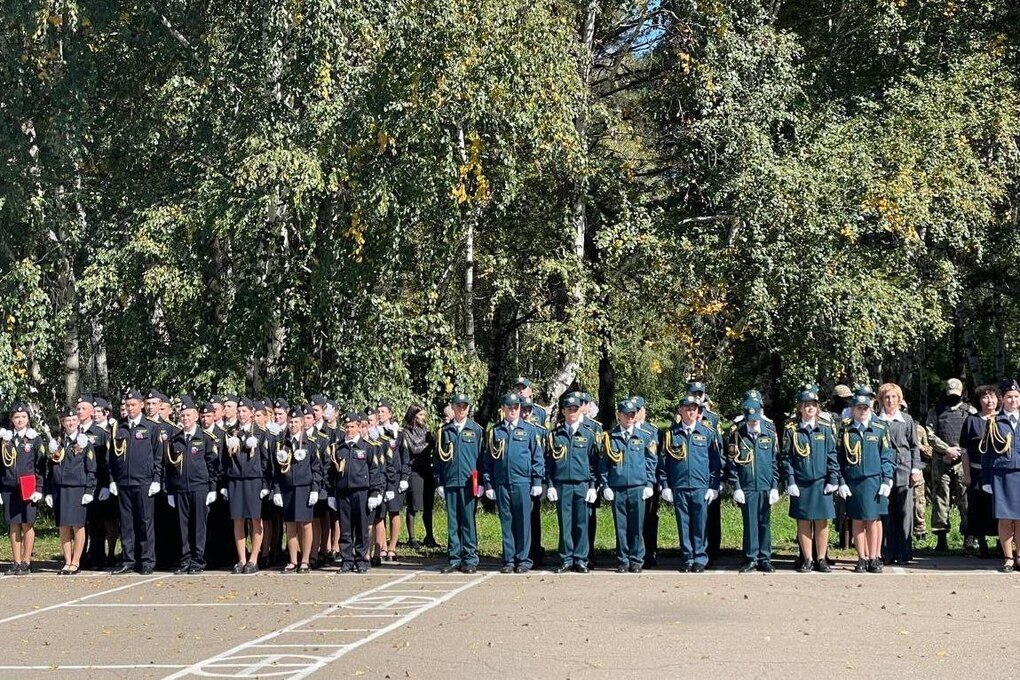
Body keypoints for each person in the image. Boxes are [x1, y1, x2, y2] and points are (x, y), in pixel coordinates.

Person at [658, 395, 721, 573]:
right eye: (688, 408)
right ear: (680, 410)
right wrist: (665, 485)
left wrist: (714, 486)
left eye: (694, 408)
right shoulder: (670, 434)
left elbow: (715, 462)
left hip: (701, 486)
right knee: (683, 524)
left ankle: (700, 557)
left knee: (700, 524)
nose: (691, 411)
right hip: (679, 486)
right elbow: (664, 463)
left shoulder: (707, 433)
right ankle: (687, 558)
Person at [482, 393, 544, 574]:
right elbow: (487, 461)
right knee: (507, 522)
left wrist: (537, 481)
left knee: (523, 523)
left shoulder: (529, 430)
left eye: (516, 407)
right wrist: (488, 484)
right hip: (502, 482)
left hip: (522, 482)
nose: (513, 410)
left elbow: (537, 457)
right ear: (503, 408)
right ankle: (509, 559)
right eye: (509, 407)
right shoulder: (495, 431)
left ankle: (523, 560)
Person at [783, 389, 840, 573]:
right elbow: (786, 458)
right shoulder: (792, 430)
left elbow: (832, 454)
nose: (810, 408)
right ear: (800, 407)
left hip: (821, 482)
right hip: (801, 483)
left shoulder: (825, 428)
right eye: (806, 405)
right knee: (804, 521)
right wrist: (790, 480)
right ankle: (808, 559)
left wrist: (833, 478)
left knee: (822, 521)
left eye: (813, 405)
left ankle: (821, 558)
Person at [838, 393, 894, 573]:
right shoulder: (845, 430)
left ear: (870, 409)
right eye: (859, 408)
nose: (862, 411)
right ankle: (861, 557)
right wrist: (841, 481)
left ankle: (874, 557)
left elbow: (887, 456)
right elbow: (839, 458)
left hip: (874, 480)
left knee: (873, 519)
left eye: (865, 408)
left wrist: (887, 479)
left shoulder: (879, 428)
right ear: (852, 409)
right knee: (857, 519)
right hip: (853, 481)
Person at [109, 390, 163, 575]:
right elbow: (112, 457)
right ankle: (128, 560)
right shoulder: (118, 427)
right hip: (124, 482)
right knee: (126, 523)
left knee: (145, 522)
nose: (130, 408)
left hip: (144, 481)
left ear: (141, 405)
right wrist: (112, 480)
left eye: (133, 405)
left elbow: (158, 456)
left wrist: (156, 479)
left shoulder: (151, 427)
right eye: (127, 405)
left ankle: (147, 561)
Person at [164, 398, 218, 574]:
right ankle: (185, 560)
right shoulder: (175, 439)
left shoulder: (205, 438)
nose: (185, 418)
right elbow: (170, 467)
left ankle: (198, 561)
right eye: (182, 415)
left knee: (199, 526)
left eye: (188, 415)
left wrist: (212, 489)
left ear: (195, 417)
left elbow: (212, 465)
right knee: (183, 527)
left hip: (199, 488)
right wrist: (170, 491)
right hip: (180, 489)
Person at [545, 393, 598, 573]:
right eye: (569, 409)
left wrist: (593, 487)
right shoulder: (555, 435)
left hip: (582, 484)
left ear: (580, 411)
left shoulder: (588, 434)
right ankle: (566, 559)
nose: (572, 412)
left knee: (582, 523)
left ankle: (581, 559)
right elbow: (549, 463)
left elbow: (594, 463)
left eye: (575, 409)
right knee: (565, 524)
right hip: (562, 485)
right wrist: (550, 485)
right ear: (563, 411)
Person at [727, 398, 779, 573]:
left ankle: (765, 558)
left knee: (765, 523)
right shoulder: (737, 435)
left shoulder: (769, 433)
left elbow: (774, 462)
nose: (753, 422)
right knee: (750, 524)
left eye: (756, 418)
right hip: (747, 487)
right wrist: (737, 487)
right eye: (750, 419)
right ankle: (751, 558)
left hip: (765, 485)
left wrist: (775, 486)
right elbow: (732, 464)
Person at [327, 412, 384, 573]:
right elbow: (331, 473)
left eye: (352, 426)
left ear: (359, 427)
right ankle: (347, 560)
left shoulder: (367, 447)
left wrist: (375, 493)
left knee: (361, 528)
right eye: (346, 427)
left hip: (361, 493)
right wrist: (331, 494)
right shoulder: (338, 448)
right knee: (345, 529)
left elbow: (374, 471)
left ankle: (361, 560)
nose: (349, 430)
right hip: (343, 493)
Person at [220, 397, 271, 574]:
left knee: (256, 520)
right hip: (235, 480)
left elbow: (266, 460)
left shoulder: (260, 433)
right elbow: (224, 461)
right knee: (238, 520)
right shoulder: (230, 432)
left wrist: (265, 483)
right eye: (239, 411)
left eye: (244, 411)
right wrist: (225, 483)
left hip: (253, 480)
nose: (241, 414)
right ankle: (241, 559)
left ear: (251, 413)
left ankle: (253, 559)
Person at [435, 393, 484, 573]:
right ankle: (454, 558)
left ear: (468, 408)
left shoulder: (476, 430)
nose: (462, 409)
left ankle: (470, 558)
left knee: (468, 522)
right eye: (458, 406)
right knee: (453, 523)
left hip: (470, 482)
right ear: (453, 407)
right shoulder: (444, 431)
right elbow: (438, 459)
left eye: (465, 406)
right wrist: (439, 482)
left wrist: (482, 483)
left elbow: (482, 458)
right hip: (450, 482)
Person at [44, 406, 96, 575]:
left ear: (78, 421)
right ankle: (67, 561)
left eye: (74, 420)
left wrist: (89, 490)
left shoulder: (84, 442)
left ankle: (76, 561)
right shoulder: (57, 443)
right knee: (63, 526)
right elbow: (50, 469)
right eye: (68, 420)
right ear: (63, 422)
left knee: (78, 526)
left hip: (77, 488)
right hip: (60, 488)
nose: (71, 423)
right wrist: (48, 491)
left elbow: (91, 468)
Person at [272, 405, 323, 573]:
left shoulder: (310, 442)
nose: (293, 425)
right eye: (291, 422)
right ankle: (293, 560)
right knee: (290, 526)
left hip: (304, 488)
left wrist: (315, 489)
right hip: (287, 488)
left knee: (306, 524)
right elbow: (276, 470)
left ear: (302, 423)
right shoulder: (282, 443)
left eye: (296, 422)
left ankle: (305, 560)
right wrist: (277, 490)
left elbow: (317, 468)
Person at [925, 378, 974, 552]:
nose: (953, 397)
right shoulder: (936, 411)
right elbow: (929, 434)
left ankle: (969, 536)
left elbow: (974, 432)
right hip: (941, 460)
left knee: (965, 498)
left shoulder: (969, 411)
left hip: (963, 460)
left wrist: (960, 451)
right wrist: (946, 449)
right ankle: (941, 538)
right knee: (940, 499)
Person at [876, 384, 923, 565]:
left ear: (899, 400)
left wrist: (915, 469)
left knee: (904, 513)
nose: (890, 401)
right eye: (887, 397)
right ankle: (886, 552)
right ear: (881, 400)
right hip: (882, 472)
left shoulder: (906, 420)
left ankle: (904, 553)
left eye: (894, 397)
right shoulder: (876, 420)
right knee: (885, 513)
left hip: (904, 470)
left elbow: (914, 446)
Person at [979, 379, 1020, 572]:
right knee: (1005, 518)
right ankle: (1008, 557)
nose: (1013, 400)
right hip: (1002, 475)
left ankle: (1019, 556)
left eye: (1016, 397)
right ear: (1002, 399)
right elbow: (987, 453)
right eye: (1009, 397)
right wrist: (987, 480)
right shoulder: (994, 422)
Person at [0, 403, 45, 575]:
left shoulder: (34, 438)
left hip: (28, 485)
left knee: (27, 524)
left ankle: (26, 562)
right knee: (13, 524)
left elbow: (40, 466)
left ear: (28, 419)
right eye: (17, 417)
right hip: (9, 487)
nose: (20, 420)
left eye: (23, 417)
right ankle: (16, 561)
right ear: (11, 419)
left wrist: (39, 488)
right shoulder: (5, 439)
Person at [960, 384, 999, 557]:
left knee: (998, 508)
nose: (989, 400)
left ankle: (1001, 544)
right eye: (985, 397)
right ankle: (982, 543)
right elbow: (964, 451)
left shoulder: (1003, 419)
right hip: (977, 472)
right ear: (979, 400)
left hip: (998, 472)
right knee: (977, 508)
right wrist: (967, 474)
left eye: (992, 396)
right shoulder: (971, 421)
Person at [686, 381, 723, 564]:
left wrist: (719, 477)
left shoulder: (713, 419)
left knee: (712, 516)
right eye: (694, 393)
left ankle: (713, 552)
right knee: (691, 518)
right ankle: (692, 551)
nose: (697, 396)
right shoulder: (681, 416)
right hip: (690, 476)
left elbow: (719, 449)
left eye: (700, 393)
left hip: (708, 476)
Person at [401, 404, 437, 550]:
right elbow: (414, 449)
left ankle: (429, 536)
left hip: (427, 469)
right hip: (414, 470)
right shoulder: (405, 432)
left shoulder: (425, 430)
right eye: (421, 415)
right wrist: (431, 443)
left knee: (428, 505)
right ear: (414, 416)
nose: (424, 417)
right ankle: (412, 538)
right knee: (414, 505)